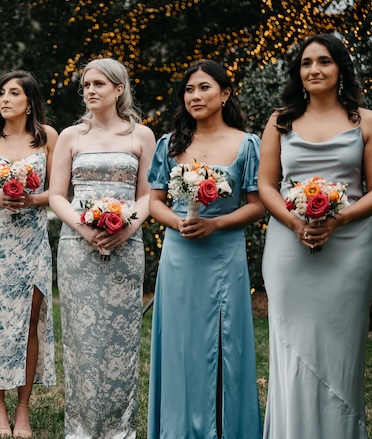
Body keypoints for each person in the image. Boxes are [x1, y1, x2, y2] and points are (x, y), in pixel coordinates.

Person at [258, 33, 372, 438]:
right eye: (306, 63)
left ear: (340, 67)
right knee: (293, 345)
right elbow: (267, 185)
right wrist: (295, 222)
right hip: (289, 246)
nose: (314, 70)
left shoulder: (366, 121)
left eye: (324, 61)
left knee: (341, 350)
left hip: (350, 246)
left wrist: (337, 221)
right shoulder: (281, 120)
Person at [146, 59, 263, 439]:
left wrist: (215, 223)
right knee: (180, 346)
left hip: (224, 254)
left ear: (225, 93)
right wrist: (178, 222)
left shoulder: (247, 144)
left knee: (224, 343)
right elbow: (155, 202)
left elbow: (257, 204)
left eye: (205, 87)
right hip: (180, 255)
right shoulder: (170, 144)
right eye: (190, 89)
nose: (195, 95)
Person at [48, 58, 155, 438]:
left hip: (127, 246)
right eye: (86, 85)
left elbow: (147, 196)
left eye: (98, 84)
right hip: (78, 246)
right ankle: (80, 427)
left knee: (122, 339)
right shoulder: (71, 136)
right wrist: (83, 228)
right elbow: (57, 196)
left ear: (118, 89)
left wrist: (127, 228)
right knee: (81, 337)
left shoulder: (140, 136)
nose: (90, 91)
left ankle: (118, 429)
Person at [0, 70, 58, 438]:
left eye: (13, 93)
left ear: (30, 101)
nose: (4, 99)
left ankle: (23, 411)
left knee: (29, 324)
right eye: (1, 93)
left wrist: (33, 198)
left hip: (32, 243)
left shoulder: (49, 138)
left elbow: (60, 189)